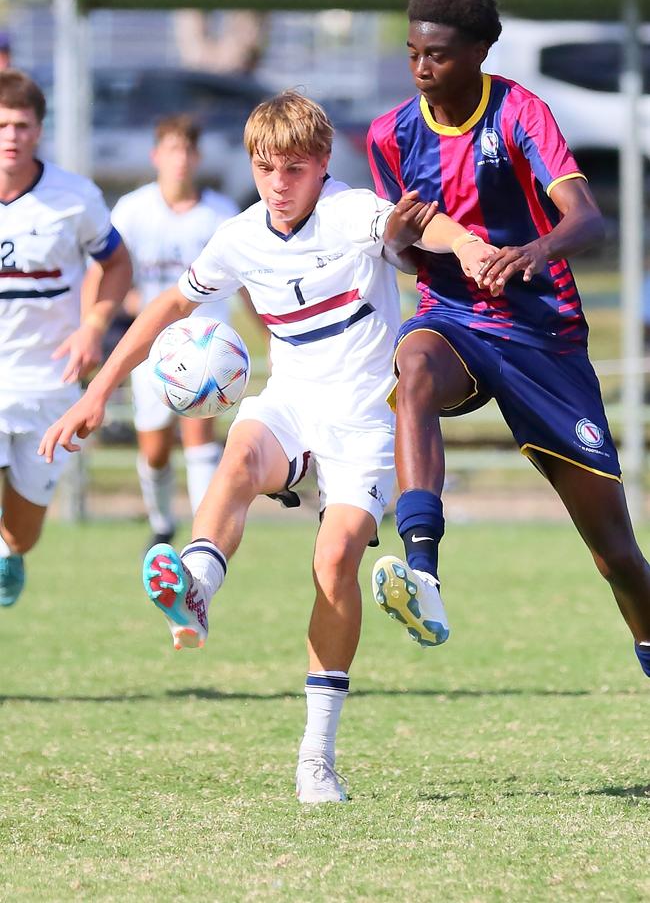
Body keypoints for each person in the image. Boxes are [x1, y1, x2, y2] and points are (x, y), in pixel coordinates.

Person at [39, 91, 486, 802]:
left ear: (322, 166)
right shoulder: (240, 235)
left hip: (366, 423)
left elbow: (419, 228)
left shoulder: (350, 212)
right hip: (291, 405)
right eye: (266, 167)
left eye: (295, 169)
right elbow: (168, 308)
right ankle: (196, 588)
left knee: (334, 558)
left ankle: (317, 756)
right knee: (239, 454)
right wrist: (98, 390)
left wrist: (468, 244)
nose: (279, 183)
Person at [366, 0, 650, 681]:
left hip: (542, 337)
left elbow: (586, 217)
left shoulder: (521, 112)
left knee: (615, 553)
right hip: (453, 319)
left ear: (481, 51)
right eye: (412, 55)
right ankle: (423, 569)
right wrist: (399, 241)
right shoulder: (390, 134)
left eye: (437, 54)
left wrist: (535, 250)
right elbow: (404, 254)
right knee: (416, 371)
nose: (422, 69)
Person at [0, 68, 132, 606]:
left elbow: (118, 263)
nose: (12, 136)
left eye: (23, 126)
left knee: (24, 529)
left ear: (39, 130)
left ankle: (10, 552)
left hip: (50, 382)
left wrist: (93, 326)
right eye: (3, 124)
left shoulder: (74, 198)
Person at [93, 114, 239, 551]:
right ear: (157, 155)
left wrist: (270, 331)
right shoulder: (133, 210)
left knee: (199, 438)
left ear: (196, 157)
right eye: (171, 149)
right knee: (155, 450)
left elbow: (245, 281)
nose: (179, 159)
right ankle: (161, 523)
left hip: (209, 347)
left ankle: (203, 536)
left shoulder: (220, 214)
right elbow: (109, 274)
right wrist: (128, 308)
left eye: (187, 150)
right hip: (153, 347)